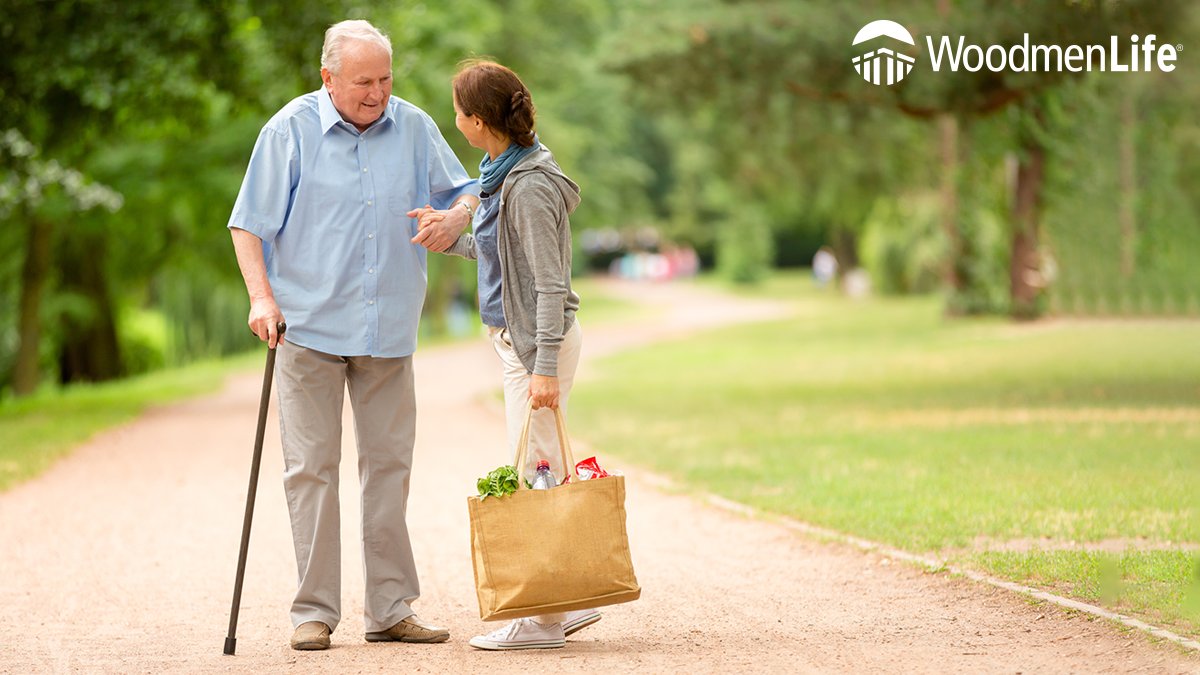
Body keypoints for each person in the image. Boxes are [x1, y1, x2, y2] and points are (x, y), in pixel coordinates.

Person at [227, 20, 480, 651]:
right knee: (310, 470)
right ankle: (313, 611)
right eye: (363, 81)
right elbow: (248, 224)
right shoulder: (288, 130)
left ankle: (391, 608)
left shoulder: (415, 126)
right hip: (307, 328)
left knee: (388, 469)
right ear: (328, 78)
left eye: (385, 79)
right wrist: (262, 296)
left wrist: (454, 218)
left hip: (387, 328)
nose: (376, 93)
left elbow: (471, 190)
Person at [412, 60, 599, 651]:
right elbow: (504, 262)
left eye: (458, 112)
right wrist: (452, 238)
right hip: (520, 347)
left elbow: (549, 284)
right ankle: (557, 607)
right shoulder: (500, 172)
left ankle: (540, 620)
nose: (455, 121)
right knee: (539, 466)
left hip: (535, 351)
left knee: (533, 471)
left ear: (478, 120)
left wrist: (543, 365)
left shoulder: (531, 186)